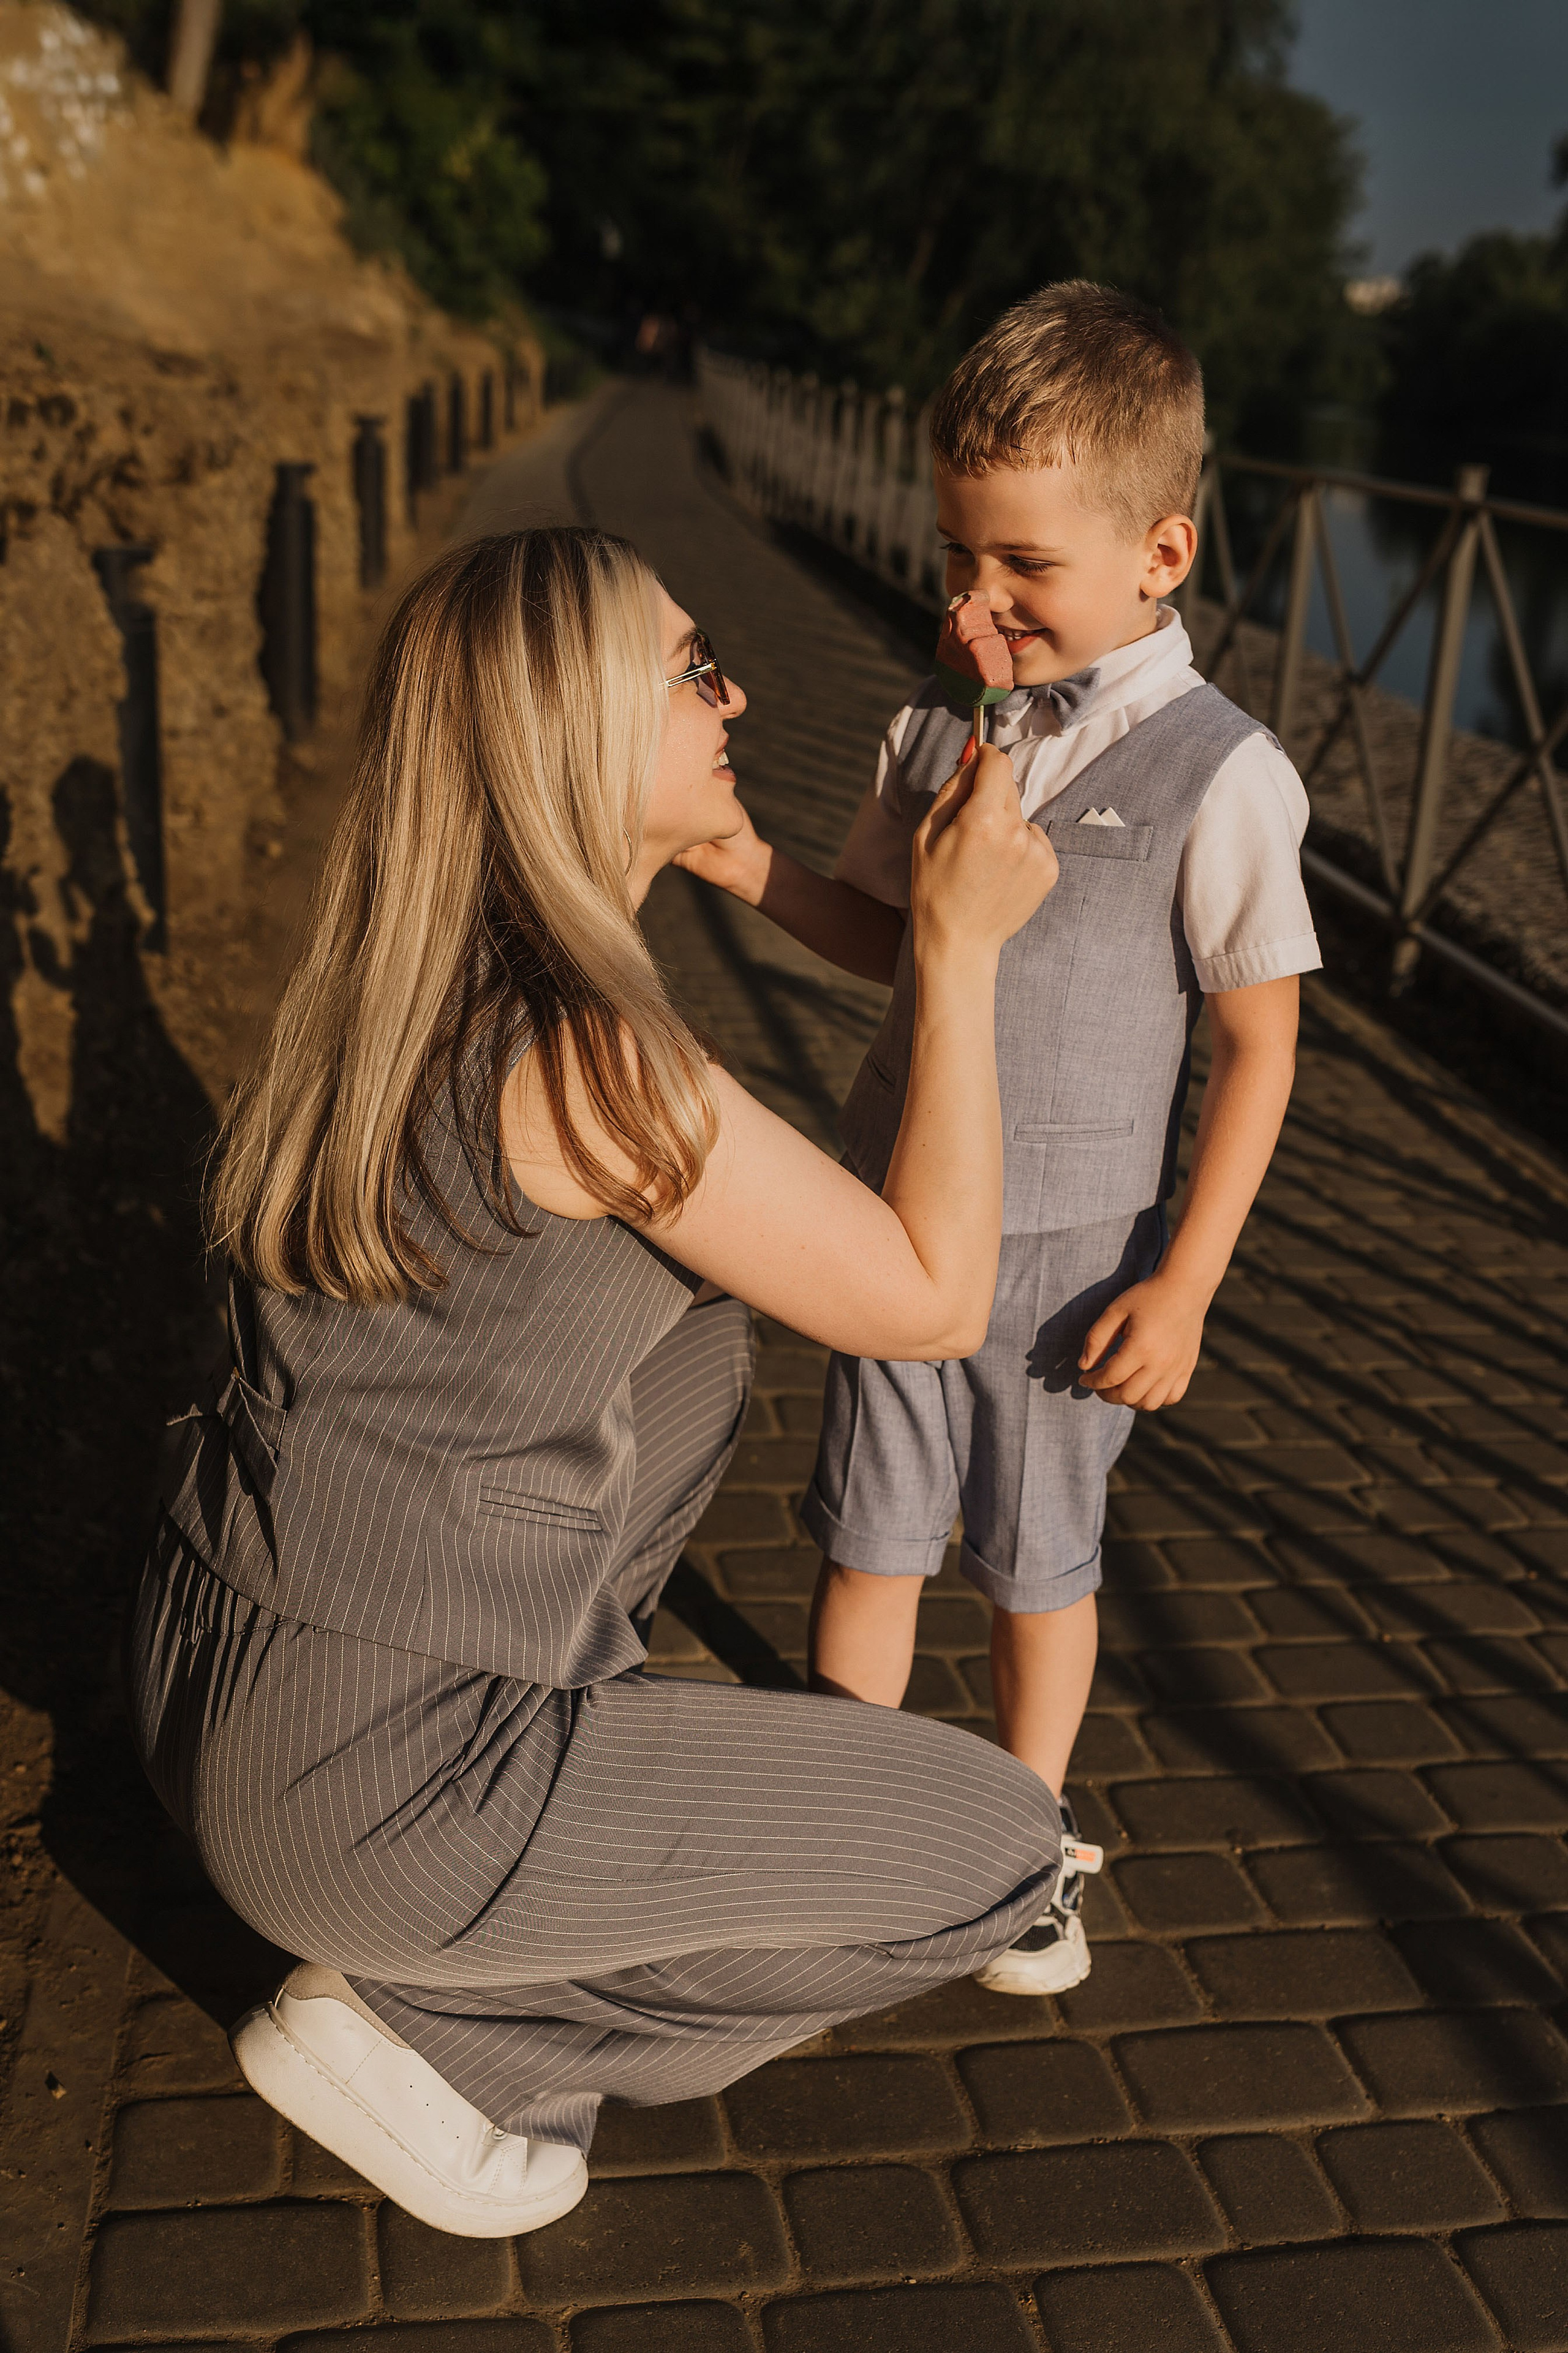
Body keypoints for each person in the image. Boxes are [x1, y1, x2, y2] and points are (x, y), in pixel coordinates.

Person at [126, 526, 1060, 2242]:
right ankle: (441, 2032)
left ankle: (496, 1875)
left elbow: (783, 1259)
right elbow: (929, 1299)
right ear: (566, 737)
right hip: (367, 1791)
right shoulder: (595, 1056)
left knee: (701, 1342)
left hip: (221, 1676)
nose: (741, 689)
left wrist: (742, 859)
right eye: (696, 670)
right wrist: (971, 948)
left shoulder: (401, 972)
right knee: (1003, 1850)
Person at [679, 281, 1320, 1996]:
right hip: (893, 1226)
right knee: (867, 1534)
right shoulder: (931, 727)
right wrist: (746, 868)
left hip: (1066, 1266)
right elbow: (890, 937)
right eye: (961, 559)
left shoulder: (1225, 775)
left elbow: (1261, 1041)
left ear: (1162, 550)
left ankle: (1022, 1849)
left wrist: (1187, 1280)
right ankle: (841, 1820)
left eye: (1021, 568)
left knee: (1037, 1567)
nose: (974, 605)